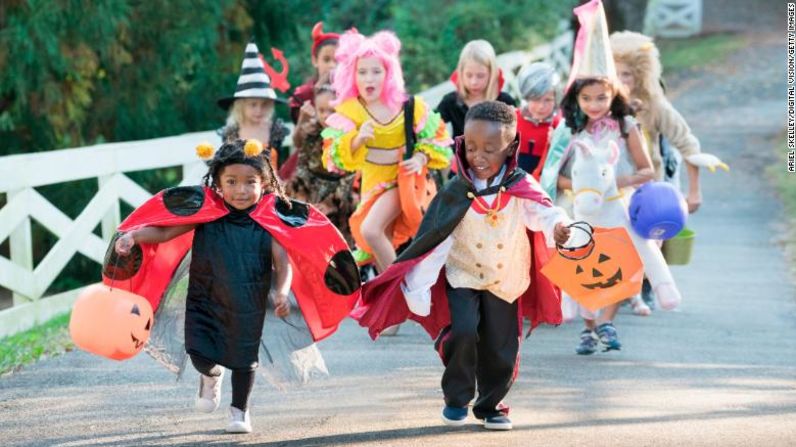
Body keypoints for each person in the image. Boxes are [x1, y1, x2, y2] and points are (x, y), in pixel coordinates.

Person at [111, 139, 360, 433]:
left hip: (248, 304)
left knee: (244, 360)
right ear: (217, 182)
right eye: (232, 181)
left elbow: (283, 264)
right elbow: (164, 233)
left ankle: (239, 411)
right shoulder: (207, 213)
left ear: (265, 183)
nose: (241, 190)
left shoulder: (268, 221)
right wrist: (135, 236)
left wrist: (281, 292)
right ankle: (211, 376)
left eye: (250, 182)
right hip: (204, 299)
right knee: (199, 352)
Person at [353, 101, 572, 430]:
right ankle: (457, 397)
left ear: (510, 148)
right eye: (471, 147)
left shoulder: (520, 185)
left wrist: (559, 226)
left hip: (505, 278)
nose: (479, 156)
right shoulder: (456, 191)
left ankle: (491, 404)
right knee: (463, 331)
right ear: (461, 144)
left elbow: (544, 213)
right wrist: (417, 285)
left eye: (489, 148)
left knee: (501, 346)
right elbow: (436, 241)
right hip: (463, 274)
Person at [540, 0, 655, 352]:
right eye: (587, 97)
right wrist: (579, 187)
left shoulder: (625, 125)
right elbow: (550, 175)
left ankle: (606, 322)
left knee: (623, 264)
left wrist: (616, 184)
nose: (594, 104)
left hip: (617, 206)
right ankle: (588, 327)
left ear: (613, 94)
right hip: (580, 206)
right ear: (577, 97)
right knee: (583, 267)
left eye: (601, 97)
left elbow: (646, 169)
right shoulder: (568, 131)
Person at [610, 30, 729, 308]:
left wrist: (694, 192)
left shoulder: (655, 106)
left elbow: (688, 144)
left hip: (649, 188)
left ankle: (647, 284)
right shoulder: (601, 103)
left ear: (640, 75)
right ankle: (619, 289)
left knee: (650, 239)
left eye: (627, 74)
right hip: (615, 184)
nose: (621, 81)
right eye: (616, 74)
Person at [321, 29, 452, 273]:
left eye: (376, 71)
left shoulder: (408, 106)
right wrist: (358, 139)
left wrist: (420, 157)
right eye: (362, 72)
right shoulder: (350, 111)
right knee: (381, 242)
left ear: (389, 73)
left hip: (400, 182)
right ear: (352, 75)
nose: (369, 78)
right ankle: (393, 303)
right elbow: (332, 158)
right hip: (371, 185)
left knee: (370, 229)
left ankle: (400, 284)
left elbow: (439, 139)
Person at [288, 74, 357, 245]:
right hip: (311, 192)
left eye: (331, 110)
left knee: (337, 245)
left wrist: (331, 203)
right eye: (321, 111)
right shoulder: (312, 132)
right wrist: (304, 198)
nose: (326, 116)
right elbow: (302, 166)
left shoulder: (349, 135)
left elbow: (352, 175)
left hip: (340, 199)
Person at [436, 40, 516, 176]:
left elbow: (515, 138)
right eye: (469, 75)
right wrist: (447, 150)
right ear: (460, 73)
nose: (474, 81)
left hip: (497, 173)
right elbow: (431, 127)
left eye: (480, 76)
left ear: (491, 74)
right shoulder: (451, 101)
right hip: (461, 173)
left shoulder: (504, 101)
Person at [218, 41, 289, 169]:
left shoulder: (275, 131)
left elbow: (280, 164)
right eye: (253, 105)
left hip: (272, 185)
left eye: (264, 105)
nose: (259, 110)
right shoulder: (231, 132)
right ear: (241, 105)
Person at [515, 62, 562, 179]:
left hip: (543, 186)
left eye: (548, 100)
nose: (541, 106)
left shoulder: (558, 126)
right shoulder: (512, 119)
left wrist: (557, 143)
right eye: (536, 99)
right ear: (526, 97)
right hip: (513, 184)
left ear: (556, 99)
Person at [288, 21, 340, 124]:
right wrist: (303, 118)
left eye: (337, 60)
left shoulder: (351, 94)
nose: (332, 65)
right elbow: (299, 136)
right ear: (315, 60)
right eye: (326, 59)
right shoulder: (303, 95)